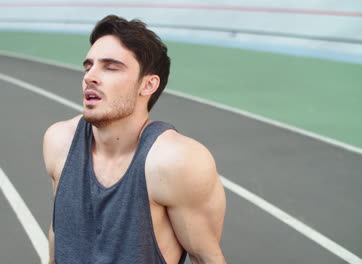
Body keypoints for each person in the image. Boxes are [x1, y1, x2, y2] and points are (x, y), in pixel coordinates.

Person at [43, 15, 226, 264]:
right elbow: (59, 235)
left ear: (148, 85)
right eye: (89, 66)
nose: (90, 77)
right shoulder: (59, 142)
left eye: (110, 67)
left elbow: (206, 258)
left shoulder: (176, 161)